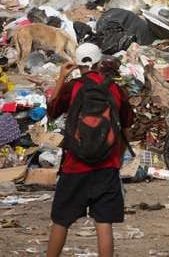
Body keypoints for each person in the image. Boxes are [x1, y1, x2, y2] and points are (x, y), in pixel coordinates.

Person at [46, 56, 134, 257]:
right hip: (107, 166)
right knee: (104, 223)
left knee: (61, 221)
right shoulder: (116, 89)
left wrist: (61, 77)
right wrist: (117, 158)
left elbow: (51, 112)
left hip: (74, 166)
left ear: (79, 64)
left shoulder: (73, 86)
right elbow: (127, 129)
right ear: (99, 63)